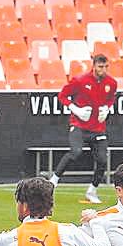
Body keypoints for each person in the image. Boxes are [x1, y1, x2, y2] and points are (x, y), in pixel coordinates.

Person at [50, 54, 117, 204]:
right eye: (101, 67)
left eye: (106, 67)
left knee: (102, 159)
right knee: (75, 152)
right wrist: (76, 109)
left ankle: (92, 190)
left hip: (98, 128)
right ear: (94, 66)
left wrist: (107, 108)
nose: (104, 70)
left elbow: (111, 98)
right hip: (79, 125)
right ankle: (53, 181)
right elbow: (62, 96)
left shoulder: (111, 83)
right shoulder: (80, 81)